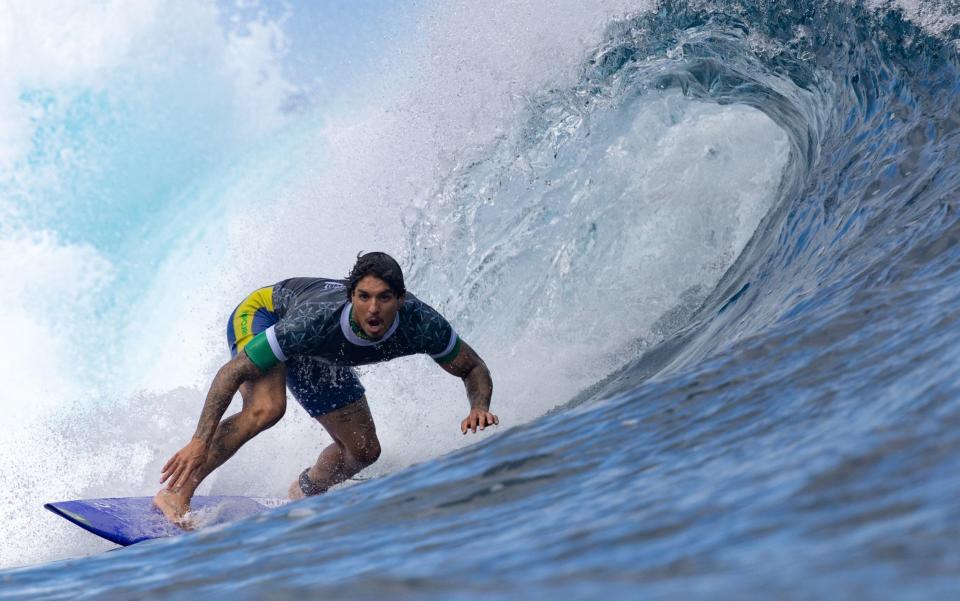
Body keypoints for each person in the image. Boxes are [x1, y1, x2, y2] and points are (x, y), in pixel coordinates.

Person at [155, 252, 497, 525]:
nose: (373, 309)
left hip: (317, 351)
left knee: (364, 451)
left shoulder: (422, 324)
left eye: (384, 298)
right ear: (351, 296)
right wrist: (199, 440)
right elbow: (232, 372)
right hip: (266, 315)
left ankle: (306, 490)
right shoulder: (314, 321)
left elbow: (472, 366)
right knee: (267, 407)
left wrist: (479, 406)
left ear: (401, 299)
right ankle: (176, 493)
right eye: (363, 297)